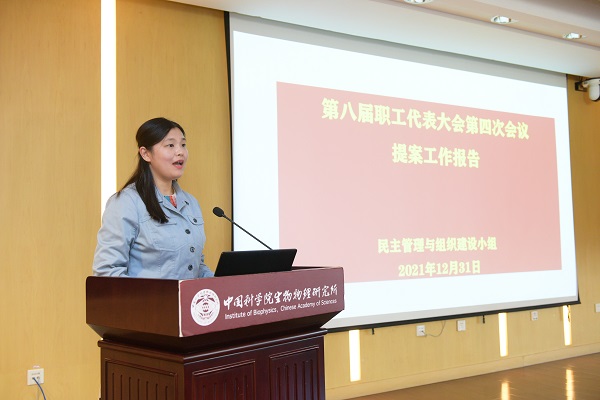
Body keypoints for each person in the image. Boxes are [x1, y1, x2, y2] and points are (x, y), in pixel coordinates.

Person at [93, 117, 213, 279]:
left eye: (183, 145)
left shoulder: (191, 203)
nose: (180, 152)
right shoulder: (126, 203)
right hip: (147, 297)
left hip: (187, 297)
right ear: (146, 153)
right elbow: (107, 272)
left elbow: (195, 266)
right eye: (170, 145)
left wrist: (223, 283)